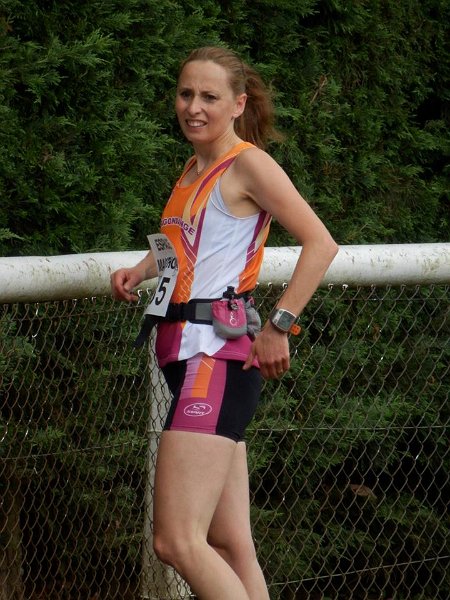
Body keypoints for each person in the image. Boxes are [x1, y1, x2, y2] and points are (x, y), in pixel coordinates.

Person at [111, 46, 338, 600]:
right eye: (185, 93)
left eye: (209, 97)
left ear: (238, 104)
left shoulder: (248, 164)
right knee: (231, 543)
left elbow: (321, 243)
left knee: (176, 541)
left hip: (213, 359)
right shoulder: (193, 168)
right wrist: (141, 269)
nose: (194, 107)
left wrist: (279, 326)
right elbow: (185, 246)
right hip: (188, 358)